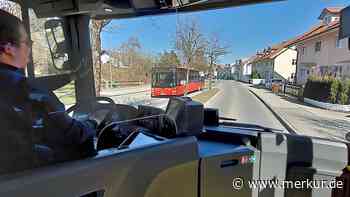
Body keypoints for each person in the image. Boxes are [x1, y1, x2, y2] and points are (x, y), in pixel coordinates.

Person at [0, 10, 96, 174]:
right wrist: (93, 123)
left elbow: (31, 84)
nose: (29, 47)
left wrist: (72, 76)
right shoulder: (31, 94)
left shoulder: (14, 86)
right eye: (27, 42)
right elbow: (77, 138)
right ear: (8, 48)